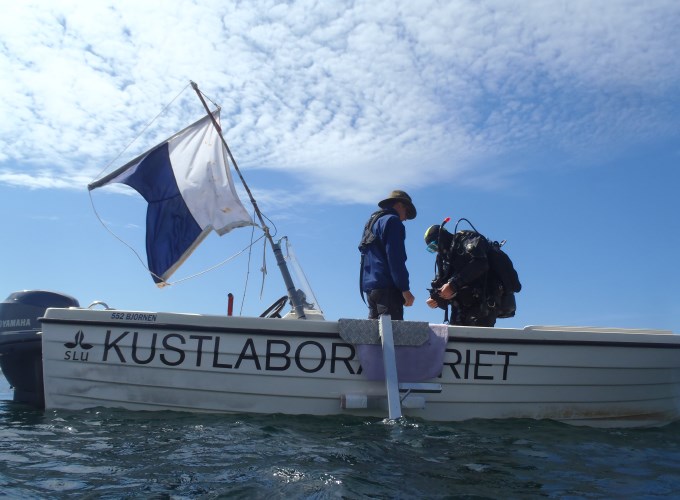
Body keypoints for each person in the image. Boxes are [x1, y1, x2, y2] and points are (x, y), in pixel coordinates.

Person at [424, 223, 500, 326]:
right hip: (459, 308)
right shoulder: (443, 258)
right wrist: (435, 297)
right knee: (458, 339)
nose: (436, 250)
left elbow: (481, 263)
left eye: (434, 245)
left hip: (482, 304)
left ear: (442, 237)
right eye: (431, 249)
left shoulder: (466, 240)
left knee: (476, 340)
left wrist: (453, 284)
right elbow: (441, 282)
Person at [358, 190, 416, 320]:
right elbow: (395, 258)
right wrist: (405, 289)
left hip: (370, 290)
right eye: (407, 212)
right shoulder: (393, 221)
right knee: (392, 337)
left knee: (373, 338)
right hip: (387, 290)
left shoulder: (370, 223)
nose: (406, 218)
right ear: (400, 205)